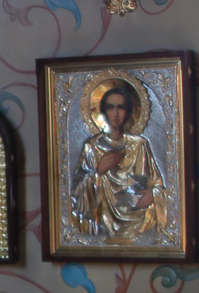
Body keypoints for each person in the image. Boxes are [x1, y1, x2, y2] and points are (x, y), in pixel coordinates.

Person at [70, 82, 166, 240]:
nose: (115, 113)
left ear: (128, 111)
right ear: (103, 111)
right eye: (110, 107)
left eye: (120, 107)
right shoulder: (93, 147)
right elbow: (76, 193)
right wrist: (98, 171)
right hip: (103, 221)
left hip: (137, 222)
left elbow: (157, 185)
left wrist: (153, 195)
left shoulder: (139, 145)